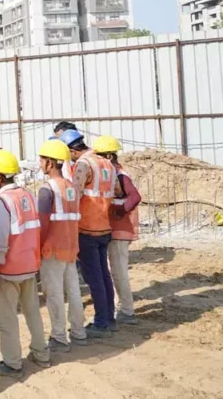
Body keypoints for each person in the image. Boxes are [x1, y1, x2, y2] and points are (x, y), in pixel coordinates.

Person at [0, 149, 51, 378]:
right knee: (32, 312)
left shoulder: (2, 203)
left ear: (0, 177)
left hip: (8, 270)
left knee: (6, 319)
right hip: (30, 267)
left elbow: (0, 243)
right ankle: (42, 354)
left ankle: (12, 363)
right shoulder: (27, 196)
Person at [61, 129, 116, 337]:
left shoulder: (84, 165)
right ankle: (109, 317)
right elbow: (116, 191)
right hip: (104, 226)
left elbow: (75, 194)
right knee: (104, 275)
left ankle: (101, 321)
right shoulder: (107, 164)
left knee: (94, 278)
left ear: (72, 150)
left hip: (87, 229)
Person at [35, 140, 88, 353]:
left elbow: (43, 224)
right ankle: (78, 332)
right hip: (70, 247)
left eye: (41, 160)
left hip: (53, 249)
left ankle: (59, 336)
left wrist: (37, 247)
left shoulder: (47, 190)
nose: (39, 163)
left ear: (49, 163)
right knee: (73, 291)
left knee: (54, 292)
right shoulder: (72, 188)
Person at [94, 135, 142, 326]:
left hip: (120, 230)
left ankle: (127, 311)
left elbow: (135, 196)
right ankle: (118, 308)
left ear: (109, 156)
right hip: (113, 229)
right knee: (113, 271)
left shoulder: (120, 175)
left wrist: (119, 211)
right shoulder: (111, 174)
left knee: (119, 272)